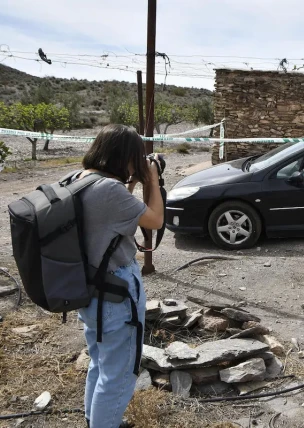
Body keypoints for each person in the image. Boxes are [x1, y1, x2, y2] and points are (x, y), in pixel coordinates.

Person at [76, 124, 164, 428]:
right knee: (119, 373)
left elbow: (115, 215)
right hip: (115, 292)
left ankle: (94, 420)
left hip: (89, 288)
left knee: (100, 362)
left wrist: (131, 182)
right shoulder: (109, 190)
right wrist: (151, 178)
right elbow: (154, 219)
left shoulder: (82, 179)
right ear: (124, 156)